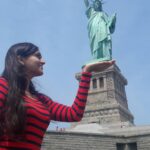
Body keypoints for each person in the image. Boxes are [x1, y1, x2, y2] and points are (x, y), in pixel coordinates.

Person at [0, 42, 114, 149]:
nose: (43, 61)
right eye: (38, 56)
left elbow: (74, 114)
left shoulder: (42, 100)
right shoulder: (3, 86)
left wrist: (87, 72)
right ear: (20, 59)